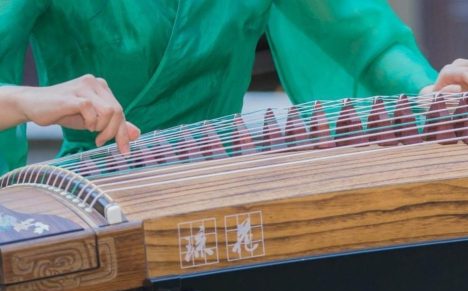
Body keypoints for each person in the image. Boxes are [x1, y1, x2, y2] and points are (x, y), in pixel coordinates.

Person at [1, 0, 468, 175]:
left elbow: (361, 41)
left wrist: (429, 92)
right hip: (97, 193)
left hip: (225, 184)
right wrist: (26, 100)